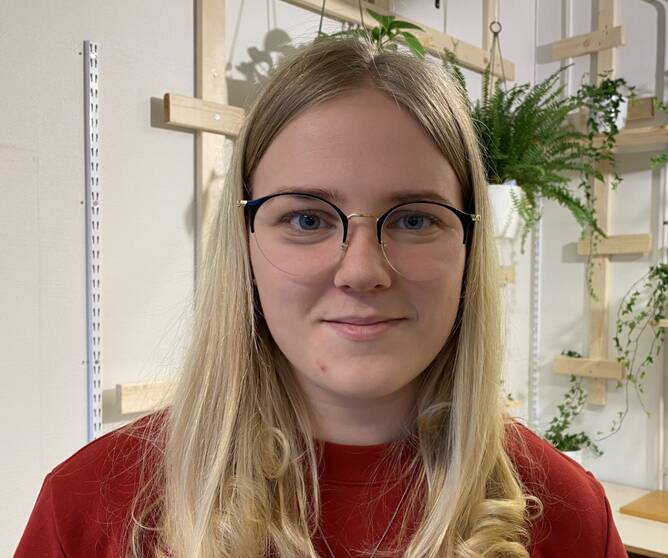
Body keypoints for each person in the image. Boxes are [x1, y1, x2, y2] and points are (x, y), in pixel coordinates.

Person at [15, 36, 626, 557]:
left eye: (414, 219)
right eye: (307, 219)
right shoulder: (89, 508)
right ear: (244, 243)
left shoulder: (569, 515)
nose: (361, 271)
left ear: (469, 247)